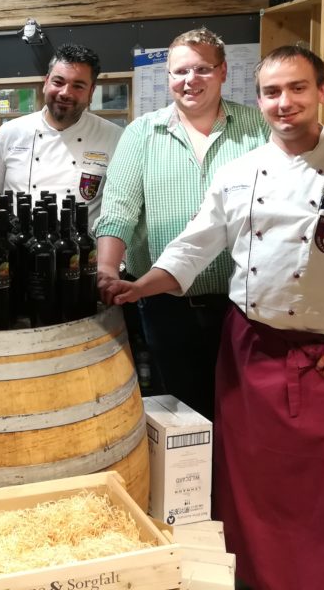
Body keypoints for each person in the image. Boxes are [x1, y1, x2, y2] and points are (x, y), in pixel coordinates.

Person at [101, 45, 324, 590]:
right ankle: (256, 578)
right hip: (249, 352)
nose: (285, 102)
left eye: (298, 88)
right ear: (258, 100)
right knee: (248, 482)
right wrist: (141, 286)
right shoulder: (239, 172)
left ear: (322, 92)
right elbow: (194, 245)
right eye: (272, 92)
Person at [94, 28, 267, 421]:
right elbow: (119, 210)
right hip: (164, 306)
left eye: (202, 69)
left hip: (241, 304)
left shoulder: (257, 128)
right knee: (182, 415)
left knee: (242, 412)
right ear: (168, 76)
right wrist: (107, 269)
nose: (191, 80)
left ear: (223, 71)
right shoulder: (142, 132)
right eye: (181, 71)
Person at [0, 43, 123, 224]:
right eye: (58, 82)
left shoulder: (115, 138)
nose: (65, 93)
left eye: (78, 86)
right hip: (18, 240)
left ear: (91, 92)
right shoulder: (10, 133)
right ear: (46, 82)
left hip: (84, 242)